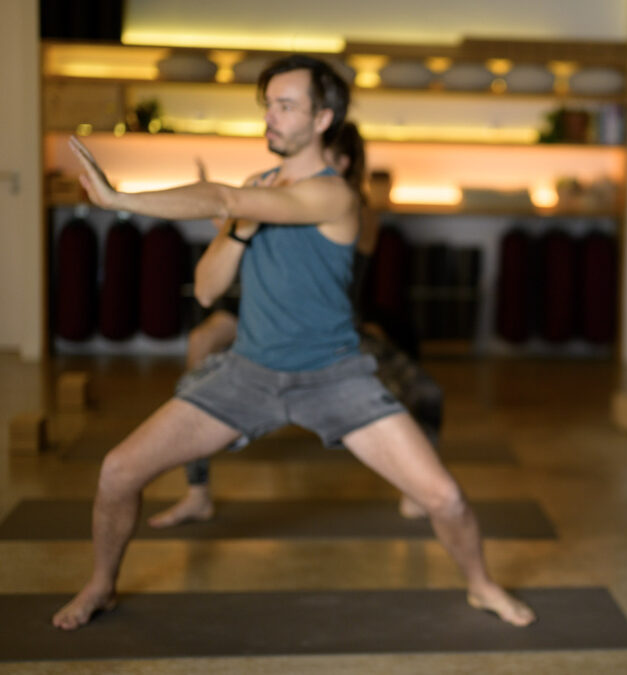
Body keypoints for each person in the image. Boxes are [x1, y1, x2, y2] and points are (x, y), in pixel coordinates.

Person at [52, 54, 534, 630]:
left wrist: (122, 199)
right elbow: (207, 289)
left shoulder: (336, 197)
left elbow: (226, 198)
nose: (271, 118)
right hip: (248, 373)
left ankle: (481, 585)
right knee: (117, 470)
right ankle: (101, 585)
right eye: (268, 105)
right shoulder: (256, 191)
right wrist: (244, 224)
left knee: (445, 498)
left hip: (336, 377)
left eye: (286, 106)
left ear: (323, 118)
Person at [146, 122, 439, 528]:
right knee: (201, 339)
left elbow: (292, 228)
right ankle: (198, 492)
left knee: (424, 394)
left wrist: (244, 206)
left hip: (326, 320)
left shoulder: (350, 206)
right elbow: (243, 228)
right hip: (263, 308)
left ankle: (417, 490)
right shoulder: (281, 191)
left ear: (342, 162)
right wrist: (233, 215)